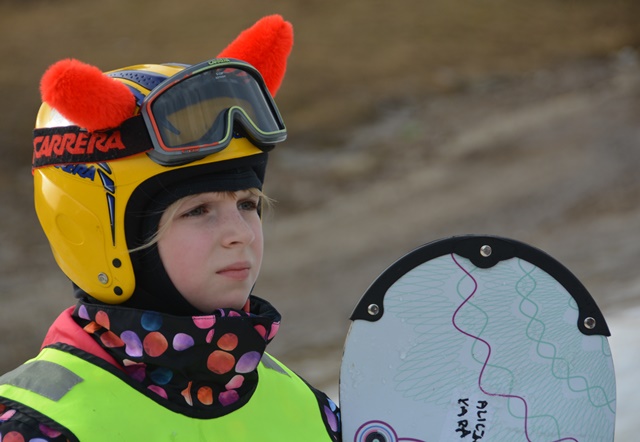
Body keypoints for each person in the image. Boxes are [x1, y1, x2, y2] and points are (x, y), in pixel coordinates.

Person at [0, 15, 341, 441]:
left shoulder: (307, 407)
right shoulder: (35, 427)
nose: (241, 233)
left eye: (247, 204)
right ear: (100, 235)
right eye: (198, 211)